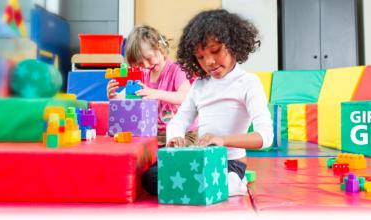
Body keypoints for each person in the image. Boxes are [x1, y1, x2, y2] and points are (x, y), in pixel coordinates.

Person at [166, 9, 274, 196]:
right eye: (200, 57)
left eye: (215, 51)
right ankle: (217, 185)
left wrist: (222, 140)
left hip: (231, 164)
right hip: (200, 159)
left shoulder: (248, 82)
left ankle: (236, 182)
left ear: (233, 45)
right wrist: (174, 137)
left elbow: (265, 137)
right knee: (150, 179)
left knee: (205, 185)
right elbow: (178, 121)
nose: (209, 61)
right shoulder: (199, 86)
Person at [106, 25, 197, 195]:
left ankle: (185, 180)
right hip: (154, 137)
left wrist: (155, 93)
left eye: (149, 58)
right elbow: (124, 98)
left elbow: (185, 97)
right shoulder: (144, 75)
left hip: (184, 135)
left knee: (170, 164)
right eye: (140, 64)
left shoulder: (176, 70)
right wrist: (113, 96)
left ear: (161, 47)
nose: (147, 65)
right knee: (141, 171)